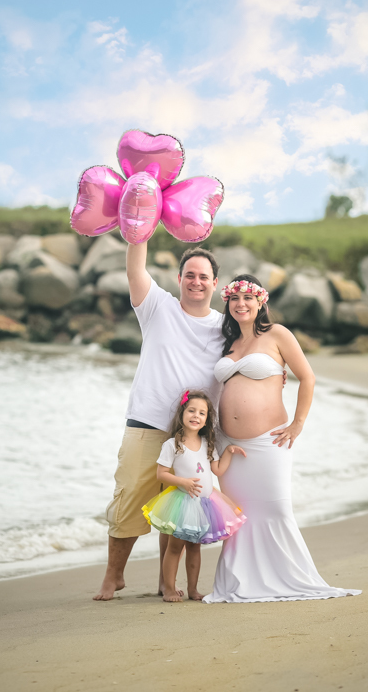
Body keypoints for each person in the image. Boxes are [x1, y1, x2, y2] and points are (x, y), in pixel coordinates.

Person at [203, 274, 362, 604]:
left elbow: (307, 377)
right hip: (228, 443)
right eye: (235, 298)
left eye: (248, 298)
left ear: (261, 302)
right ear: (227, 303)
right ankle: (238, 582)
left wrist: (297, 423)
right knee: (239, 515)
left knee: (275, 509)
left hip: (268, 441)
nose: (241, 304)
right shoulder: (227, 343)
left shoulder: (276, 334)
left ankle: (289, 579)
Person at [93, 243, 226, 601]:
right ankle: (114, 576)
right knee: (130, 498)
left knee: (180, 507)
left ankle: (166, 583)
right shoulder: (158, 306)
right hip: (147, 422)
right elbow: (136, 270)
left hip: (196, 432)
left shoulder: (225, 328)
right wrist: (140, 229)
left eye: (204, 277)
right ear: (179, 278)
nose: (196, 282)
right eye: (190, 276)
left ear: (215, 283)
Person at [142, 389, 246, 602]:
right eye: (191, 411)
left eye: (202, 413)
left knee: (194, 549)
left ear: (207, 420)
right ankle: (169, 588)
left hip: (205, 505)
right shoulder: (173, 444)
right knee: (174, 548)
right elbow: (161, 474)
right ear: (182, 413)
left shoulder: (208, 444)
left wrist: (228, 452)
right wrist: (183, 482)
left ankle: (193, 589)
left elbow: (217, 471)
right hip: (183, 503)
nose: (196, 416)